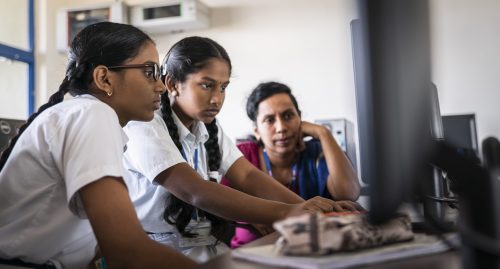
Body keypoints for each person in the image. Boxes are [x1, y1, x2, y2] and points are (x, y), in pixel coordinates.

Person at [122, 36, 361, 262]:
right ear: (173, 84)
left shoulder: (207, 128)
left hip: (200, 245)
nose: (217, 98)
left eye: (223, 88)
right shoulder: (145, 124)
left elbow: (247, 175)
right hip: (156, 250)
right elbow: (195, 191)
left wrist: (313, 209)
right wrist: (290, 212)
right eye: (207, 85)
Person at [0, 22, 196, 269]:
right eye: (149, 72)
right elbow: (128, 252)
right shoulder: (91, 114)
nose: (160, 86)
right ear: (104, 78)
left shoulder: (89, 116)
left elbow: (95, 243)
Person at [222, 81, 361, 248]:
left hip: (314, 252)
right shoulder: (242, 157)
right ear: (257, 131)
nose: (281, 127)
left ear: (300, 119)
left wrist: (323, 133)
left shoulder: (317, 153)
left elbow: (349, 193)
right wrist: (254, 215)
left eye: (288, 116)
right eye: (269, 120)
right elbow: (221, 209)